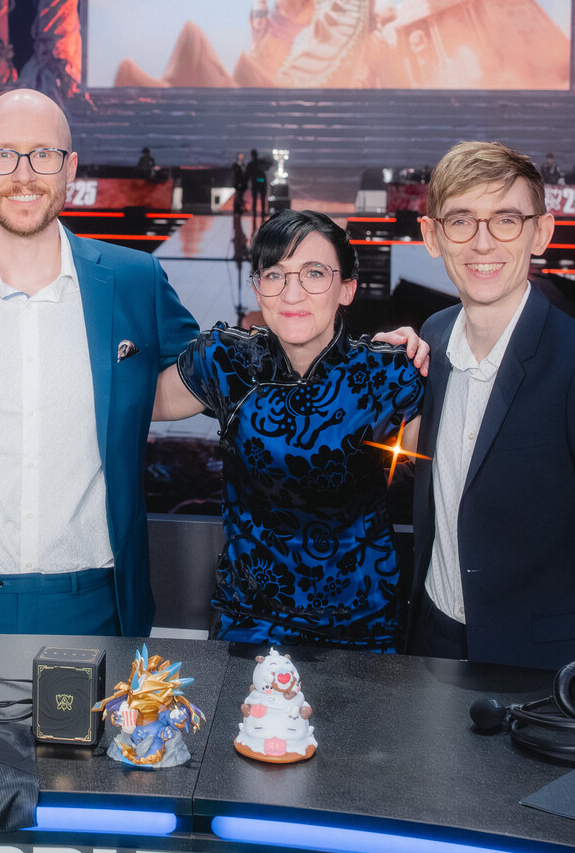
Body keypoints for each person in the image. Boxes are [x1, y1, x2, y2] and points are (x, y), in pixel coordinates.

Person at [0, 90, 201, 636]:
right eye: (3, 155)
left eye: (43, 154)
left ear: (70, 167)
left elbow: (199, 377)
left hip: (98, 605)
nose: (24, 174)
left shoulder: (134, 278)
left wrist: (302, 349)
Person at [404, 141, 575, 675]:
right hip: (429, 644)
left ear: (541, 232)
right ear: (432, 236)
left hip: (543, 674)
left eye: (506, 220)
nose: (483, 242)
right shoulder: (431, 338)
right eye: (461, 221)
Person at [154, 211, 423, 649]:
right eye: (275, 274)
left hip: (364, 625)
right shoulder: (225, 363)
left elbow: (456, 451)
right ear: (257, 287)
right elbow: (123, 401)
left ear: (347, 288)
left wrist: (442, 344)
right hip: (250, 621)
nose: (291, 293)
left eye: (314, 273)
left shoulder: (388, 374)